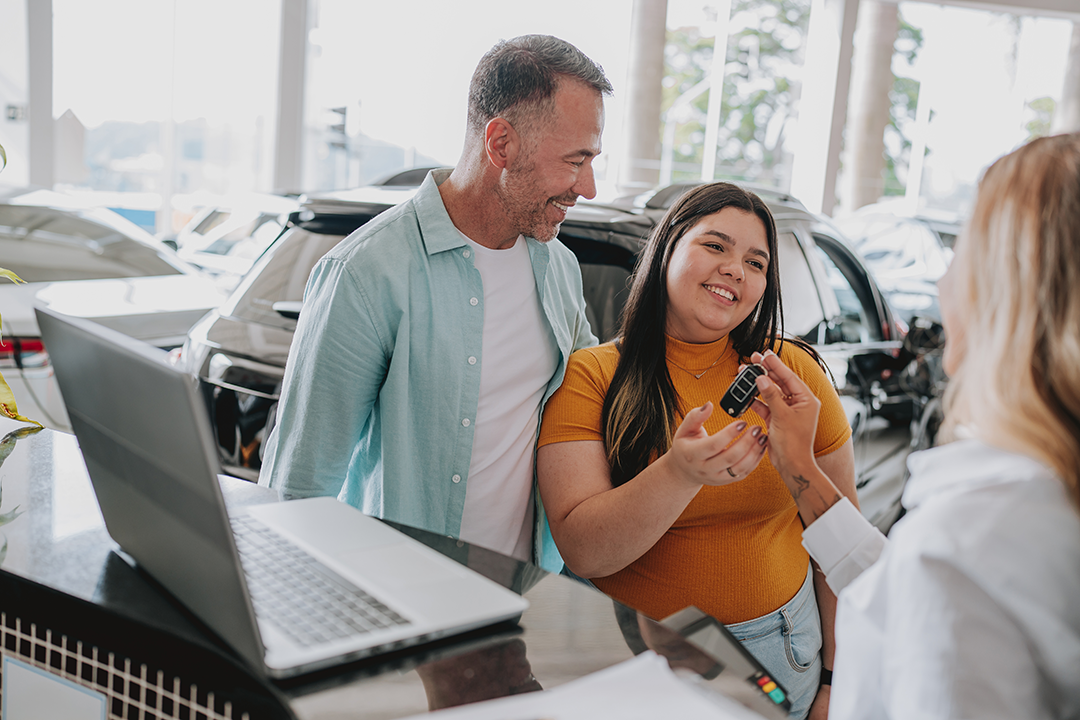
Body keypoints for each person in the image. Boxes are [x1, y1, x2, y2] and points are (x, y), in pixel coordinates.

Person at [752, 132, 1080, 719]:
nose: (940, 285)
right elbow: (900, 589)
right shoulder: (1027, 507)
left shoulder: (965, 548)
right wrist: (799, 470)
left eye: (960, 253)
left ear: (1004, 290)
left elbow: (937, 585)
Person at [259, 35, 612, 571]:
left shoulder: (557, 265)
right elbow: (299, 485)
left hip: (523, 599)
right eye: (575, 160)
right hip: (400, 600)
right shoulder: (367, 271)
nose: (587, 187)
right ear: (501, 144)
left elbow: (593, 389)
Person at [535, 181, 859, 720]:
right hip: (633, 656)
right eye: (715, 246)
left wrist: (836, 677)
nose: (737, 268)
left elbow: (838, 542)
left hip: (778, 654)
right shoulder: (592, 377)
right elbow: (584, 551)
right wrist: (680, 473)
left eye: (757, 262)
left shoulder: (793, 373)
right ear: (667, 249)